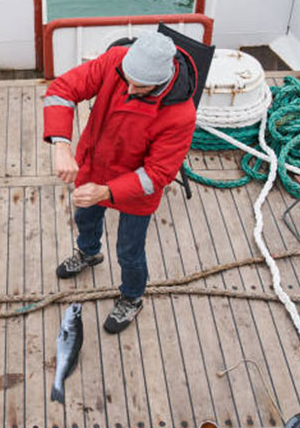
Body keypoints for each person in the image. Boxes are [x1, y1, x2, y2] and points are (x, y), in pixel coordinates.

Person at [43, 31, 197, 334]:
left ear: (160, 80)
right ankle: (88, 253)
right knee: (84, 219)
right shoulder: (117, 61)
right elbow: (63, 89)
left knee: (130, 250)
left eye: (138, 86)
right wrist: (61, 145)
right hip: (94, 168)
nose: (127, 87)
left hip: (136, 191)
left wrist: (109, 191)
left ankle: (132, 296)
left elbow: (158, 174)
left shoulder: (181, 115)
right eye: (126, 78)